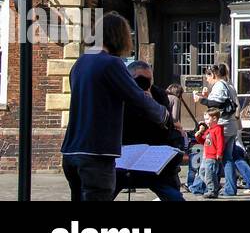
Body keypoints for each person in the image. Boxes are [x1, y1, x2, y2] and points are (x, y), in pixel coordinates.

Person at [61, 11, 171, 201]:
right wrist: (164, 116)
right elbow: (137, 98)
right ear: (119, 37)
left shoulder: (79, 63)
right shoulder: (111, 63)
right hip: (96, 153)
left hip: (71, 152)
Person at [116, 60, 186, 201]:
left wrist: (150, 101)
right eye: (140, 80)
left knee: (174, 195)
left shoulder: (158, 94)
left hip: (152, 155)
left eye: (149, 80)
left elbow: (166, 126)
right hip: (125, 154)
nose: (145, 84)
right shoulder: (120, 95)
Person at [195, 63, 240, 196]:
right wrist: (208, 96)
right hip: (231, 125)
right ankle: (229, 188)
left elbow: (217, 104)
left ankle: (209, 187)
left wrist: (201, 100)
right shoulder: (229, 85)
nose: (207, 80)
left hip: (223, 126)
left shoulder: (219, 85)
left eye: (207, 77)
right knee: (227, 158)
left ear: (213, 75)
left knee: (210, 158)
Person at [195, 107, 225, 198]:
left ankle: (212, 190)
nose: (206, 121)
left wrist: (219, 153)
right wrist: (199, 134)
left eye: (207, 119)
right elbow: (203, 141)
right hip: (205, 155)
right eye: (205, 119)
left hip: (212, 156)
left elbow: (220, 142)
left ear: (215, 119)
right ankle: (215, 186)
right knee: (202, 172)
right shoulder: (208, 130)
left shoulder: (217, 129)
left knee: (209, 173)